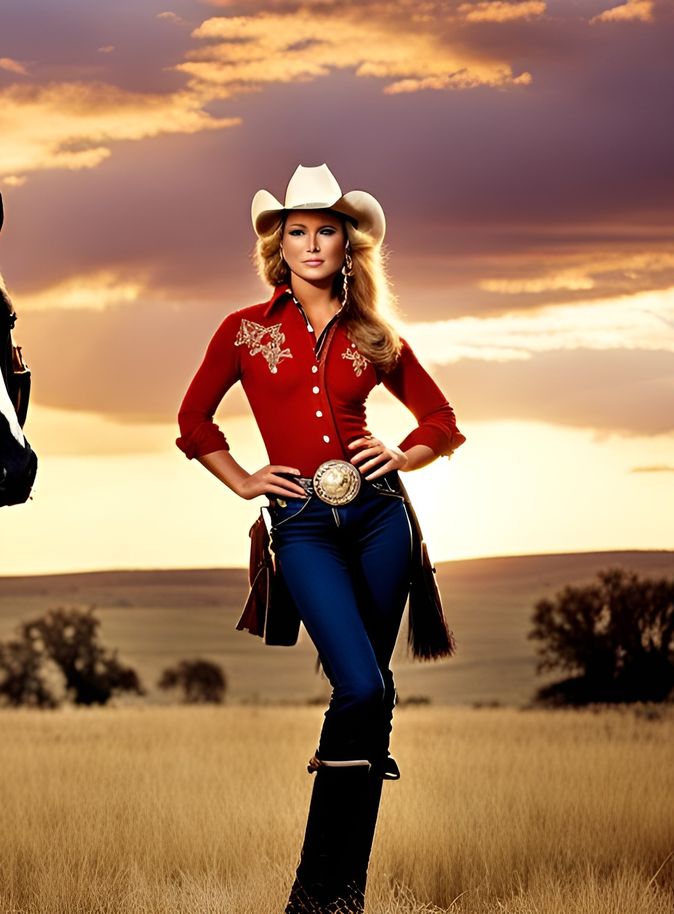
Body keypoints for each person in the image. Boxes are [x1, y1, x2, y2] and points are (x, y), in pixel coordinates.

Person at [175, 164, 464, 913]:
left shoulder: (374, 334)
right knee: (363, 685)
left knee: (372, 696)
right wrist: (243, 480)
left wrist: (402, 455)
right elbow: (193, 422)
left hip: (379, 521)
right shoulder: (243, 331)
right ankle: (315, 888)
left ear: (347, 244)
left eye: (325, 230)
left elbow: (442, 422)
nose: (311, 244)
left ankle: (340, 894)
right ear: (279, 244)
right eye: (297, 231)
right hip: (301, 525)